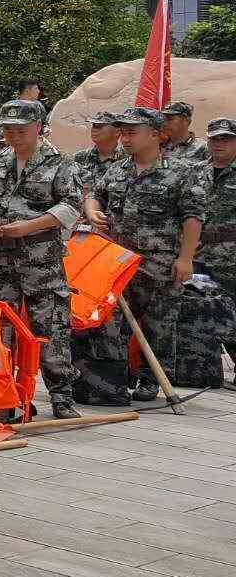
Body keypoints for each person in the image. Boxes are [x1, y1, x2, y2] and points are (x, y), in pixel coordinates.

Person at [0, 99, 82, 420]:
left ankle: (61, 395)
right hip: (1, 261)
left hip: (41, 261)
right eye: (8, 130)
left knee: (51, 326)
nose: (14, 137)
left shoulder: (60, 163)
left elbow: (71, 207)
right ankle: (1, 392)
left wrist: (28, 227)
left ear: (38, 128)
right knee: (0, 327)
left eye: (21, 130)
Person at [87, 106, 205, 402]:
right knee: (112, 323)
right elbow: (95, 195)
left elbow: (193, 217)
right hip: (117, 261)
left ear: (155, 135)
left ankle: (151, 380)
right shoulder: (117, 169)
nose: (125, 139)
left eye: (132, 133)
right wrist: (92, 211)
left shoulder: (181, 172)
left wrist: (185, 258)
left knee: (159, 324)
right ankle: (115, 376)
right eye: (123, 133)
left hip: (159, 263)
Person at [193, 118, 236, 369]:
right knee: (211, 311)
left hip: (231, 257)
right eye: (214, 139)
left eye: (225, 139)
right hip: (199, 255)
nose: (218, 144)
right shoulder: (195, 172)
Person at [71, 111, 122, 202]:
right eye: (93, 125)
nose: (94, 129)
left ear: (117, 132)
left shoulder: (127, 160)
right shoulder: (79, 157)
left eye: (99, 126)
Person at [162, 101, 211, 166]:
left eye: (170, 119)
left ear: (187, 121)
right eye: (163, 119)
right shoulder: (158, 146)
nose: (164, 123)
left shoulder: (202, 147)